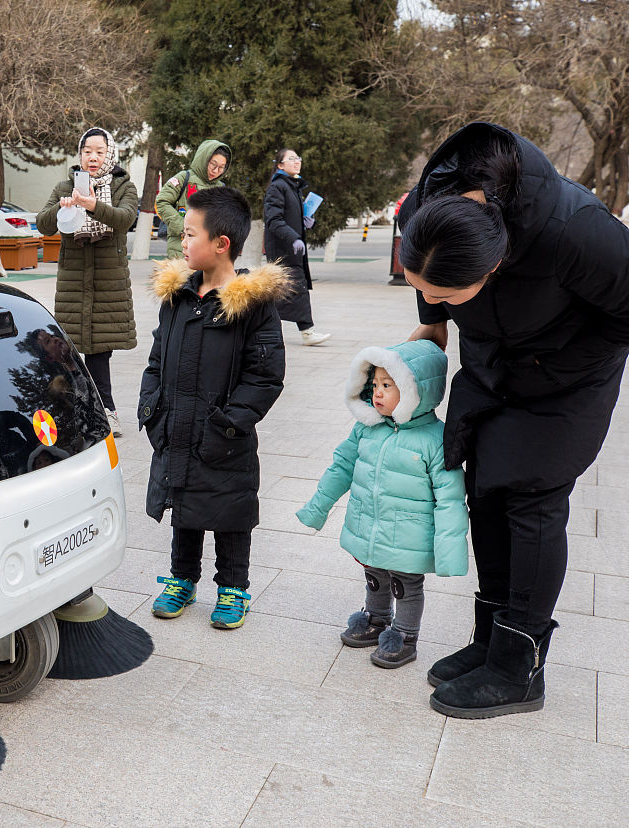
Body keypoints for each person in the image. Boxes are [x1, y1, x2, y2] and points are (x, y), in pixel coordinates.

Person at [399, 121, 629, 718]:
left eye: (449, 294)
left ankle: (520, 668)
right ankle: (490, 642)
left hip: (567, 379)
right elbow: (432, 281)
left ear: (496, 264)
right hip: (492, 364)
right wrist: (434, 323)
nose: (435, 300)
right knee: (485, 491)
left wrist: (549, 363)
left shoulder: (575, 232)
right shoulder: (434, 204)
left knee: (529, 500)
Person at [139, 187, 289, 629]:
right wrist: (153, 410)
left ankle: (233, 588)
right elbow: (155, 360)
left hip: (224, 436)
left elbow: (264, 377)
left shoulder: (253, 306)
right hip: (176, 426)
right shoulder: (178, 297)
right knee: (182, 502)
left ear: (221, 243)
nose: (181, 242)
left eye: (189, 234)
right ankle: (182, 578)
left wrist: (229, 423)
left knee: (229, 510)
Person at [296, 341, 469, 668]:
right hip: (370, 526)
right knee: (374, 574)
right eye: (374, 385)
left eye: (388, 386)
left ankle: (404, 636)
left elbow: (450, 499)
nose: (377, 393)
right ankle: (376, 618)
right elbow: (341, 467)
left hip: (409, 535)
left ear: (416, 390)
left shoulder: (435, 439)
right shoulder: (366, 429)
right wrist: (318, 506)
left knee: (405, 584)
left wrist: (449, 550)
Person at [37, 127, 138, 438]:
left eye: (99, 151)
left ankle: (106, 412)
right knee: (67, 351)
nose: (93, 157)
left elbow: (125, 219)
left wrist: (93, 206)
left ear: (110, 154)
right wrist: (63, 207)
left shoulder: (124, 186)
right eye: (87, 151)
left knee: (99, 352)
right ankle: (71, 411)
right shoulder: (64, 186)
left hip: (108, 282)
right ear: (79, 154)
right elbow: (43, 223)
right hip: (73, 282)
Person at [264, 148, 330, 346]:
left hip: (292, 249)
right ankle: (307, 333)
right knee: (293, 290)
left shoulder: (293, 187)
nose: (296, 161)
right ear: (280, 165)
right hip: (282, 250)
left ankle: (301, 332)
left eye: (298, 158)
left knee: (286, 292)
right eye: (291, 159)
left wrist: (307, 222)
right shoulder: (278, 187)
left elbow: (290, 217)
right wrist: (293, 237)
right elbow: (273, 220)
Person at [155, 139, 232, 260]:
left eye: (221, 167)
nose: (216, 171)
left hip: (209, 252)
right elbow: (161, 201)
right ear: (204, 159)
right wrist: (183, 227)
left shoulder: (221, 188)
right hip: (181, 249)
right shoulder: (183, 178)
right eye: (213, 164)